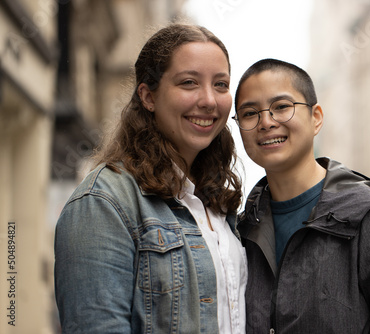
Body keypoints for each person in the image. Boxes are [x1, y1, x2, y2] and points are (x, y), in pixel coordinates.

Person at [54, 24, 247, 333]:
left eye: (221, 84)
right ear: (148, 96)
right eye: (189, 82)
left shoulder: (217, 204)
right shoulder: (103, 203)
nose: (210, 100)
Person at [233, 58, 370, 333]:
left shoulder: (369, 220)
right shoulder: (240, 232)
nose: (266, 122)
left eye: (281, 107)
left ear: (315, 117)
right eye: (250, 113)